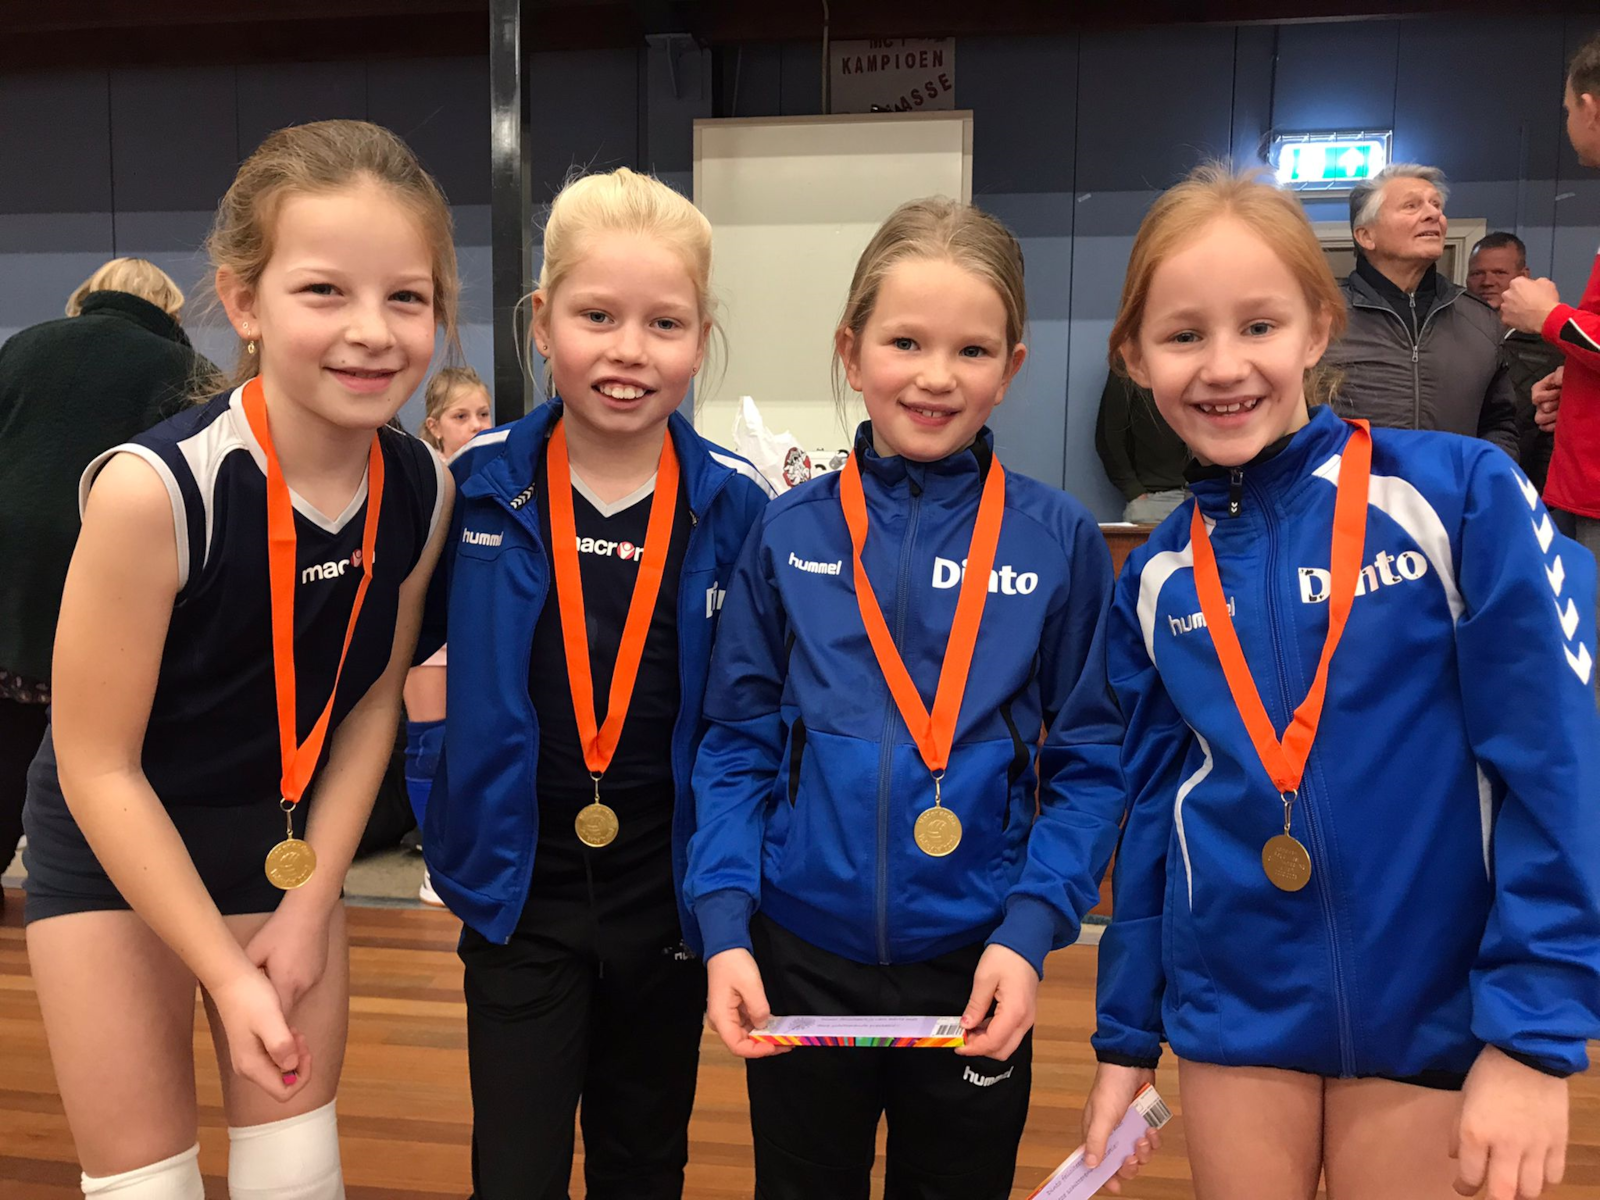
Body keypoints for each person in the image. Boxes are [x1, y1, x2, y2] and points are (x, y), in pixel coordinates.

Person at [1082, 165, 1600, 1200]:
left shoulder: (1456, 495)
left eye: (1259, 325)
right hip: (1235, 1009)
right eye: (1182, 335)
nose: (1222, 366)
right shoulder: (1155, 576)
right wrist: (1126, 1036)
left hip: (1433, 1006)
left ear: (1319, 328)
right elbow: (1152, 815)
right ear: (1134, 357)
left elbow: (1555, 763)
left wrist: (1535, 1034)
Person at [22, 119, 456, 1200]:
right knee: (149, 1185)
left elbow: (369, 705)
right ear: (245, 302)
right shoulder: (152, 493)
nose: (371, 331)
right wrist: (223, 970)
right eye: (324, 292)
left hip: (279, 850)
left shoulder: (423, 487)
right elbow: (97, 764)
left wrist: (312, 908)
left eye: (406, 297)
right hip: (119, 850)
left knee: (295, 1176)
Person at [686, 197, 1150, 1200]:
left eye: (971, 350)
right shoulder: (787, 532)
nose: (936, 376)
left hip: (978, 957)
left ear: (1010, 368)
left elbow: (1088, 763)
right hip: (801, 952)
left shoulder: (1058, 539)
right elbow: (736, 744)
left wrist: (1030, 930)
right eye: (905, 342)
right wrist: (723, 926)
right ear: (851, 353)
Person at [419, 167, 772, 1199]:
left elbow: (755, 717)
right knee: (515, 1169)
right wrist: (437, 794)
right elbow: (398, 660)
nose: (629, 350)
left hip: (666, 894)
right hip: (516, 895)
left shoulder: (739, 510)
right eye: (597, 316)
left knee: (643, 1161)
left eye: (664, 323)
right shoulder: (470, 488)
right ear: (541, 323)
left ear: (701, 339)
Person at [0, 258, 214, 896]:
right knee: (101, 744)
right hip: (104, 559)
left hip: (7, 560)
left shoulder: (24, 345)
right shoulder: (183, 370)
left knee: (5, 731)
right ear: (170, 308)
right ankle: (106, 886)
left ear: (86, 296)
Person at [1499, 31, 1600, 697]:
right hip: (1579, 486)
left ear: (1590, 106)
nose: (1567, 124)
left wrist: (1549, 317)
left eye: (1566, 110)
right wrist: (1577, 379)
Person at [1322, 164, 1519, 460]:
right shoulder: (1323, 318)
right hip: (1349, 488)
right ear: (1366, 236)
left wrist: (1487, 478)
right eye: (1411, 206)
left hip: (1451, 489)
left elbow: (1499, 423)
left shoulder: (1480, 320)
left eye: (1436, 205)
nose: (1433, 214)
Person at [402, 366, 492, 906]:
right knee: (430, 745)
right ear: (434, 425)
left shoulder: (496, 475)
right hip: (427, 633)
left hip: (476, 632)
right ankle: (435, 863)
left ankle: (472, 855)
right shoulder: (422, 477)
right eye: (462, 416)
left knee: (476, 745)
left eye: (483, 414)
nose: (477, 426)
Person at [1467, 232, 1565, 487]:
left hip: (1526, 484)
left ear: (1523, 276)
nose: (1487, 282)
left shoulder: (1554, 347)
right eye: (1477, 273)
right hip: (1459, 474)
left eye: (1499, 272)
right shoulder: (1452, 334)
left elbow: (1554, 437)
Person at [1094, 370, 1189, 522]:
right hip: (1153, 501)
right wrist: (1133, 490)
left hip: (1206, 497)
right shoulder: (1130, 365)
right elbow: (1109, 437)